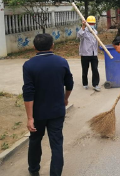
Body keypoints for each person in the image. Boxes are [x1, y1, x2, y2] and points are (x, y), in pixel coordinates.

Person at [22, 33, 74, 176]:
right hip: (57, 111)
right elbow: (69, 84)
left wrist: (30, 117)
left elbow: (28, 92)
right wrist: (65, 99)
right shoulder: (62, 62)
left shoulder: (29, 65)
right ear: (52, 45)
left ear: (34, 47)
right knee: (56, 143)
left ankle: (33, 170)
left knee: (35, 140)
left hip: (38, 113)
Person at [77, 16, 100, 91]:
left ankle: (95, 84)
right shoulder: (83, 31)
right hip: (85, 54)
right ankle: (85, 84)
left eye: (93, 23)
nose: (92, 24)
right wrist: (83, 27)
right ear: (87, 23)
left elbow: (96, 43)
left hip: (94, 54)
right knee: (85, 70)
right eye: (90, 23)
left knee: (95, 69)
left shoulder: (95, 31)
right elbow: (79, 35)